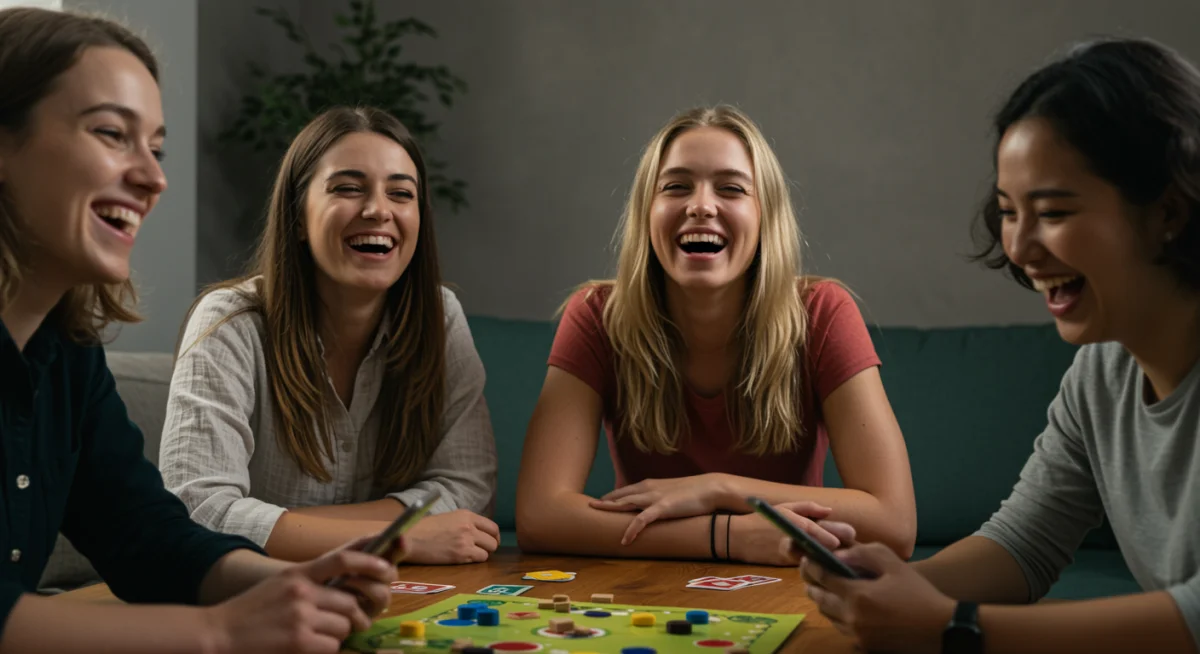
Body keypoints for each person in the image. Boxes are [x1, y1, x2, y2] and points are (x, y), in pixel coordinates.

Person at [0, 7, 396, 653]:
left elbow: (144, 535)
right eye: (110, 133)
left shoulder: (67, 355)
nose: (154, 177)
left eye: (156, 148)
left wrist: (287, 583)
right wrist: (217, 631)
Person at [797, 37, 1200, 654]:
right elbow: (1023, 543)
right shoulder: (1102, 371)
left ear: (1168, 208)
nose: (1018, 246)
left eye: (1054, 212)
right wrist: (885, 589)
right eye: (1010, 211)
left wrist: (951, 626)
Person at [515, 105, 916, 563]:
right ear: (647, 213)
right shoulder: (595, 315)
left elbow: (895, 524)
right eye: (676, 187)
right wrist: (726, 537)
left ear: (766, 217)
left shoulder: (824, 312)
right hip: (643, 584)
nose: (701, 205)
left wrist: (718, 489)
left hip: (785, 580)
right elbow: (540, 515)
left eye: (731, 189)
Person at [158, 106, 500, 566]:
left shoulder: (439, 317)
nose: (379, 210)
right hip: (254, 601)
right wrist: (401, 538)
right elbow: (196, 510)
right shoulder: (230, 323)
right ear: (298, 217)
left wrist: (291, 527)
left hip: (387, 598)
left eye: (401, 193)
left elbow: (468, 487)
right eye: (348, 188)